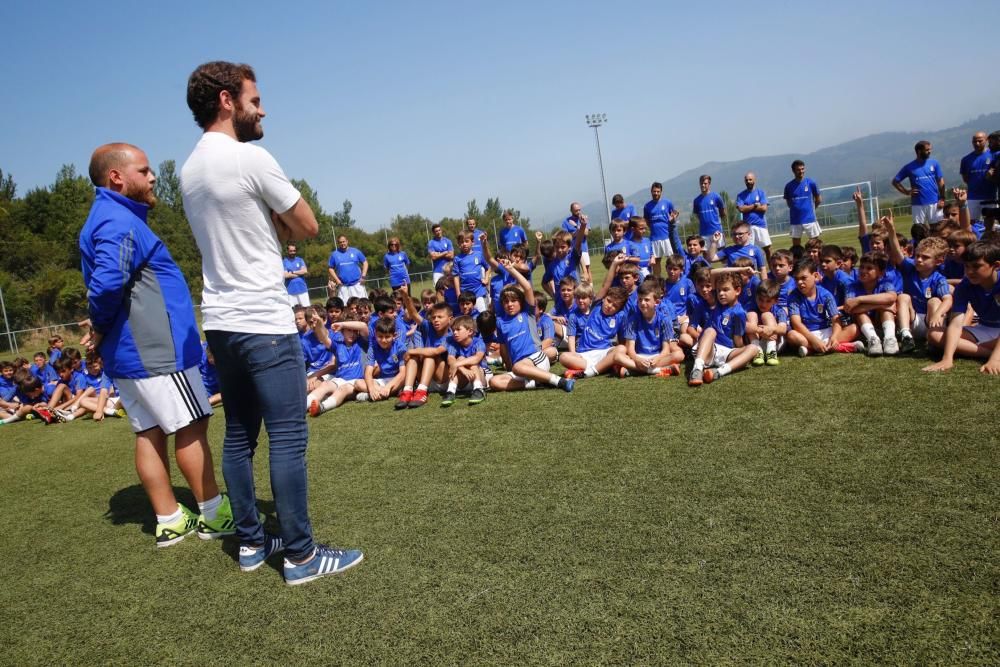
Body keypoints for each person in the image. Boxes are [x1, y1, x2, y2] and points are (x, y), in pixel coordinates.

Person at [181, 61, 362, 583]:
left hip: (220, 321)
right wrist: (277, 214)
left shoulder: (190, 170)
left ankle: (252, 544)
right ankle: (303, 556)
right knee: (287, 436)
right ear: (225, 100)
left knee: (239, 435)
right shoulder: (248, 157)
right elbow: (306, 224)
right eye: (254, 100)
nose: (262, 109)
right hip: (262, 317)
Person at [78, 142, 231, 548]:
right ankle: (214, 513)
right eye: (144, 171)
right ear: (117, 177)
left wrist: (100, 329)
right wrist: (98, 323)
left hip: (129, 353)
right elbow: (109, 282)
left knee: (148, 431)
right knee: (191, 424)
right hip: (157, 351)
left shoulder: (105, 217)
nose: (151, 178)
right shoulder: (117, 221)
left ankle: (169, 518)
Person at [923, 241, 1000, 374]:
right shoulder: (965, 285)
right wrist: (947, 358)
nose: (969, 272)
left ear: (996, 266)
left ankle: (990, 351)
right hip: (985, 328)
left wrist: (995, 360)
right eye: (966, 266)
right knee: (934, 334)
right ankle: (986, 351)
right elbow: (956, 323)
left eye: (976, 266)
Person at [881, 212, 951, 352]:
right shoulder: (909, 269)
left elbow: (948, 300)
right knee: (903, 297)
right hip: (913, 320)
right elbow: (896, 251)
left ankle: (933, 339)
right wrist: (891, 230)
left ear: (939, 261)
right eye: (918, 256)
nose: (919, 260)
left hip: (931, 321)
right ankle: (906, 336)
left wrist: (937, 315)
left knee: (935, 301)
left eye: (925, 257)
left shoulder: (939, 279)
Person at [687, 272, 758, 385]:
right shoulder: (717, 302)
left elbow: (738, 339)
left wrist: (742, 353)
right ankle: (697, 369)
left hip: (727, 353)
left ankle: (718, 372)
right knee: (710, 331)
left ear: (738, 291)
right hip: (708, 349)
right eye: (719, 290)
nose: (721, 293)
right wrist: (742, 269)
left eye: (725, 290)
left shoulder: (739, 312)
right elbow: (713, 273)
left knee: (754, 348)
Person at [613, 281, 683, 378]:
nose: (642, 303)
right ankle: (659, 370)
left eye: (646, 300)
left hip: (657, 357)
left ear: (657, 302)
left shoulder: (664, 320)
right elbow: (630, 349)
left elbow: (666, 349)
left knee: (679, 355)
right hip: (639, 357)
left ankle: (634, 370)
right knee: (617, 356)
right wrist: (637, 359)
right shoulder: (632, 320)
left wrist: (658, 359)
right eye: (640, 299)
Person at [785, 259, 850, 357]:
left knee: (854, 329)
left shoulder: (826, 294)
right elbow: (796, 323)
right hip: (806, 334)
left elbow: (835, 319)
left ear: (815, 276)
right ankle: (833, 347)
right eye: (796, 279)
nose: (799, 282)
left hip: (825, 331)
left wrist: (834, 336)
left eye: (803, 278)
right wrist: (813, 340)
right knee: (791, 335)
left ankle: (811, 349)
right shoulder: (793, 297)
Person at [893, 140, 945, 227]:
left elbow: (941, 181)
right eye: (927, 150)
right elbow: (895, 181)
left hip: (935, 202)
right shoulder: (909, 167)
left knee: (938, 228)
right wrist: (907, 192)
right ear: (919, 151)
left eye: (930, 149)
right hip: (918, 204)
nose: (930, 152)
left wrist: (942, 198)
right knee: (919, 230)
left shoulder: (934, 163)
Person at [644, 182, 680, 278]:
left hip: (666, 237)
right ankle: (657, 282)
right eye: (654, 191)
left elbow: (674, 214)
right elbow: (646, 220)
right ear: (651, 192)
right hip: (654, 238)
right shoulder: (647, 206)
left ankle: (674, 279)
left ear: (661, 192)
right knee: (656, 261)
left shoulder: (667, 203)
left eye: (658, 191)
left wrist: (673, 218)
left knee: (671, 260)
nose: (656, 193)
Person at [783, 160, 822, 246]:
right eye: (798, 169)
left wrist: (811, 210)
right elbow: (789, 202)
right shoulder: (788, 186)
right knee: (796, 246)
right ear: (793, 171)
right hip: (795, 220)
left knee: (815, 244)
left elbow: (818, 199)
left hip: (810, 219)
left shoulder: (811, 183)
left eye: (802, 169)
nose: (801, 171)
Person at [960, 132, 996, 222]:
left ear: (986, 140)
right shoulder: (966, 159)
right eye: (974, 141)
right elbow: (965, 178)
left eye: (980, 141)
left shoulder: (993, 155)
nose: (977, 143)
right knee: (971, 223)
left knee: (990, 223)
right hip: (972, 198)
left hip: (990, 196)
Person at [736, 172, 771, 261]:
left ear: (754, 180)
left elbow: (764, 208)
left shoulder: (761, 193)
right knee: (748, 251)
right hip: (748, 228)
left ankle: (772, 271)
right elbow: (741, 209)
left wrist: (747, 207)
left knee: (768, 250)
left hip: (761, 225)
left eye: (750, 179)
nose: (748, 181)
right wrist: (755, 206)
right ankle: (751, 272)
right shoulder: (741, 195)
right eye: (746, 180)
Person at [328, 234, 368, 301]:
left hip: (357, 284)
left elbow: (365, 263)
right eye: (340, 242)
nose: (342, 243)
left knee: (362, 305)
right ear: (338, 243)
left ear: (347, 241)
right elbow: (330, 268)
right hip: (343, 286)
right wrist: (337, 280)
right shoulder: (334, 254)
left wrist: (363, 276)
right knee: (345, 307)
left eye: (344, 241)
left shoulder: (355, 251)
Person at [692, 174, 727, 243]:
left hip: (716, 230)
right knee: (706, 253)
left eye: (705, 183)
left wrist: (718, 222)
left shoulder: (716, 196)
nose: (703, 185)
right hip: (704, 233)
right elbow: (698, 215)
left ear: (709, 184)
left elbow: (723, 211)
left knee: (721, 252)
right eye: (701, 183)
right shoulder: (696, 200)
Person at [563, 203, 592, 284]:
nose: (578, 212)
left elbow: (586, 233)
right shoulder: (566, 221)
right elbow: (566, 237)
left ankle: (590, 288)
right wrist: (577, 232)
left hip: (583, 248)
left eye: (579, 210)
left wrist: (578, 226)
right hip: (572, 250)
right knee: (574, 270)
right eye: (576, 210)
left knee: (587, 269)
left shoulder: (584, 219)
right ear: (571, 210)